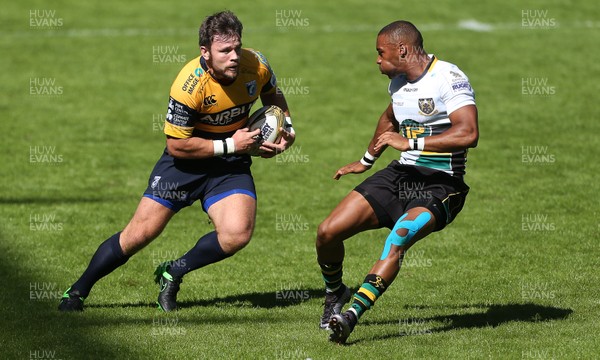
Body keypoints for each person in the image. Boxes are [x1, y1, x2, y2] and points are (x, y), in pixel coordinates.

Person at [58, 10, 295, 312]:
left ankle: (174, 271)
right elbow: (178, 145)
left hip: (228, 166)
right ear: (205, 52)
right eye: (225, 51)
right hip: (184, 166)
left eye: (237, 47)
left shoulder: (256, 64)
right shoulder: (188, 86)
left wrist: (287, 128)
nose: (234, 56)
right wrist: (232, 143)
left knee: (237, 233)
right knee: (138, 235)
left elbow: (273, 95)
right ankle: (77, 291)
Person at [316, 20, 478, 343]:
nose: (376, 60)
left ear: (402, 50)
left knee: (397, 239)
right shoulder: (399, 82)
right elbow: (390, 117)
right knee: (327, 232)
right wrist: (365, 161)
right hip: (399, 176)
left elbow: (469, 133)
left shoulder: (448, 78)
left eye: (380, 52)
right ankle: (336, 293)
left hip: (441, 184)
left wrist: (413, 144)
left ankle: (350, 318)